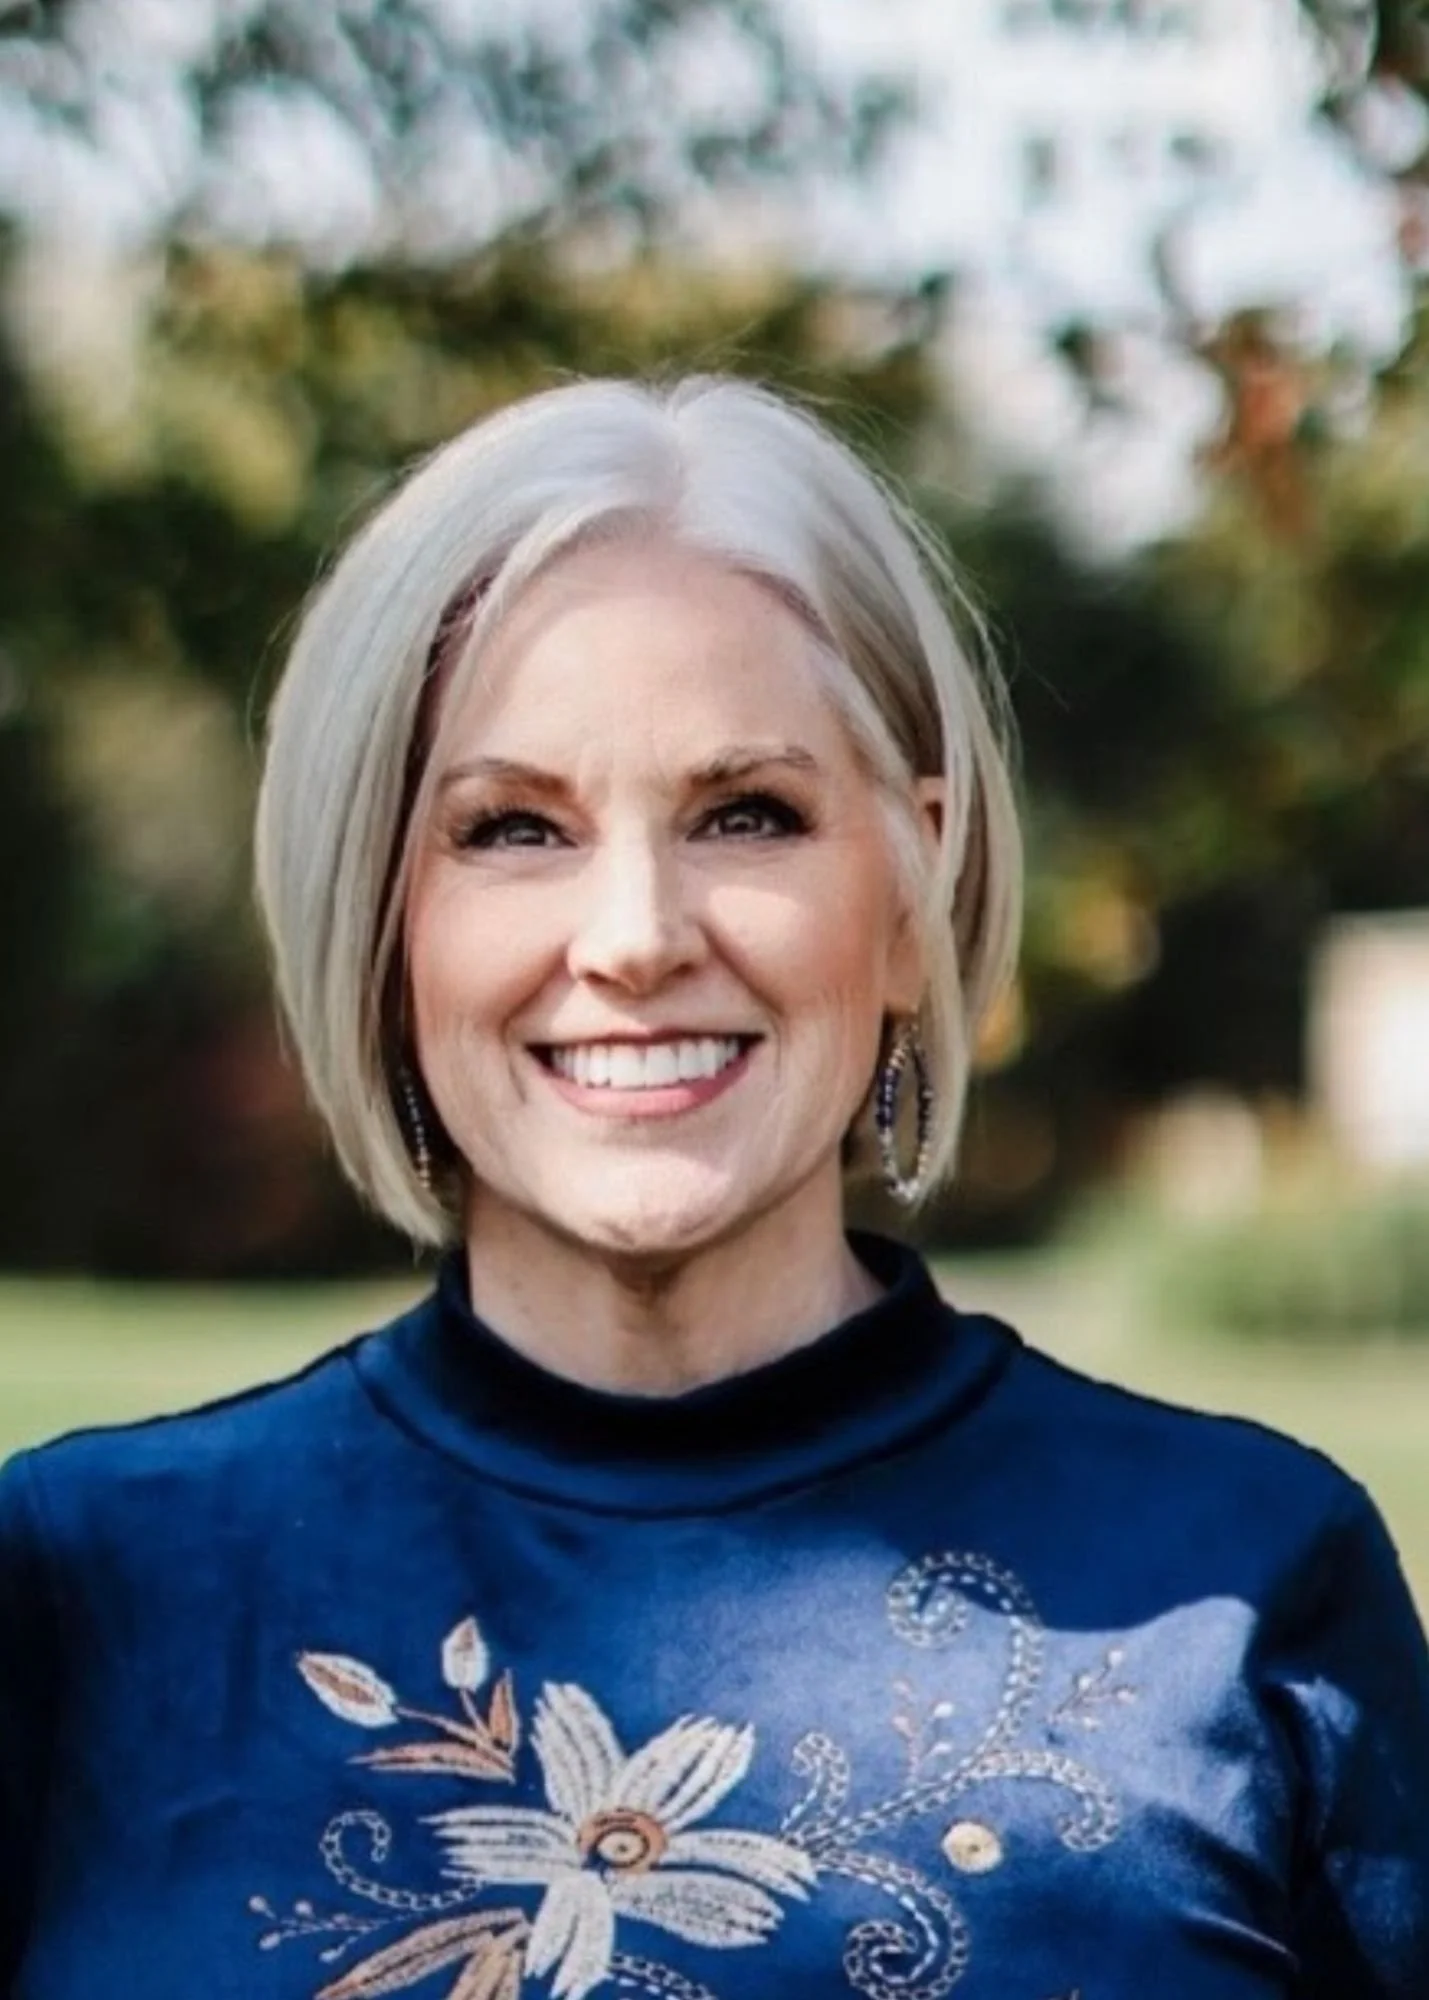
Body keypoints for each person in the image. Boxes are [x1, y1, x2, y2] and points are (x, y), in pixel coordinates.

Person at [1, 376, 1426, 2000]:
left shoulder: (1245, 1593)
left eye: (747, 815)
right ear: (385, 924)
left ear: (913, 892)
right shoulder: (79, 1587)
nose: (633, 937)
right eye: (511, 828)